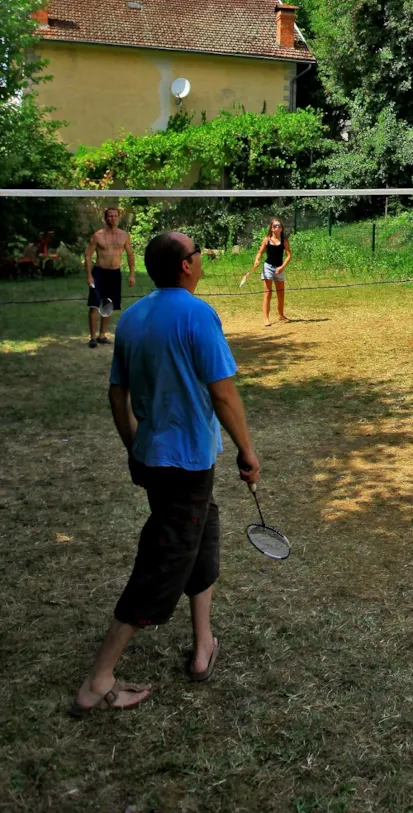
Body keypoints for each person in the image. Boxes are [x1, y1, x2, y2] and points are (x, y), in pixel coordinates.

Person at [71, 231, 261, 716]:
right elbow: (223, 394)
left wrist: (133, 445)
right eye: (197, 252)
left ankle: (202, 647)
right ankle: (98, 680)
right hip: (186, 464)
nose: (201, 257)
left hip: (156, 459)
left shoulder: (133, 317)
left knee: (202, 537)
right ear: (186, 266)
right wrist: (247, 450)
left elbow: (117, 393)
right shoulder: (199, 315)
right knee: (164, 561)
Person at [84, 207, 136, 348]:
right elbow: (88, 255)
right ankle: (93, 338)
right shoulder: (98, 235)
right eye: (110, 216)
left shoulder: (124, 235)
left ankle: (102, 335)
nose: (113, 218)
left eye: (115, 216)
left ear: (118, 217)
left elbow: (130, 255)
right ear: (105, 218)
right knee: (94, 304)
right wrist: (89, 276)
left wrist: (132, 274)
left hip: (114, 273)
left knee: (108, 304)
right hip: (99, 273)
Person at [247, 218, 292, 326]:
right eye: (275, 226)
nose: (277, 227)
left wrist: (282, 267)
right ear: (271, 228)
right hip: (268, 267)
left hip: (279, 268)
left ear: (281, 229)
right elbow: (260, 252)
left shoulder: (284, 241)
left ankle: (281, 315)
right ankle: (266, 319)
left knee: (281, 293)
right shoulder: (266, 240)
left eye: (279, 226)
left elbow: (289, 255)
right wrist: (257, 260)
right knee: (268, 293)